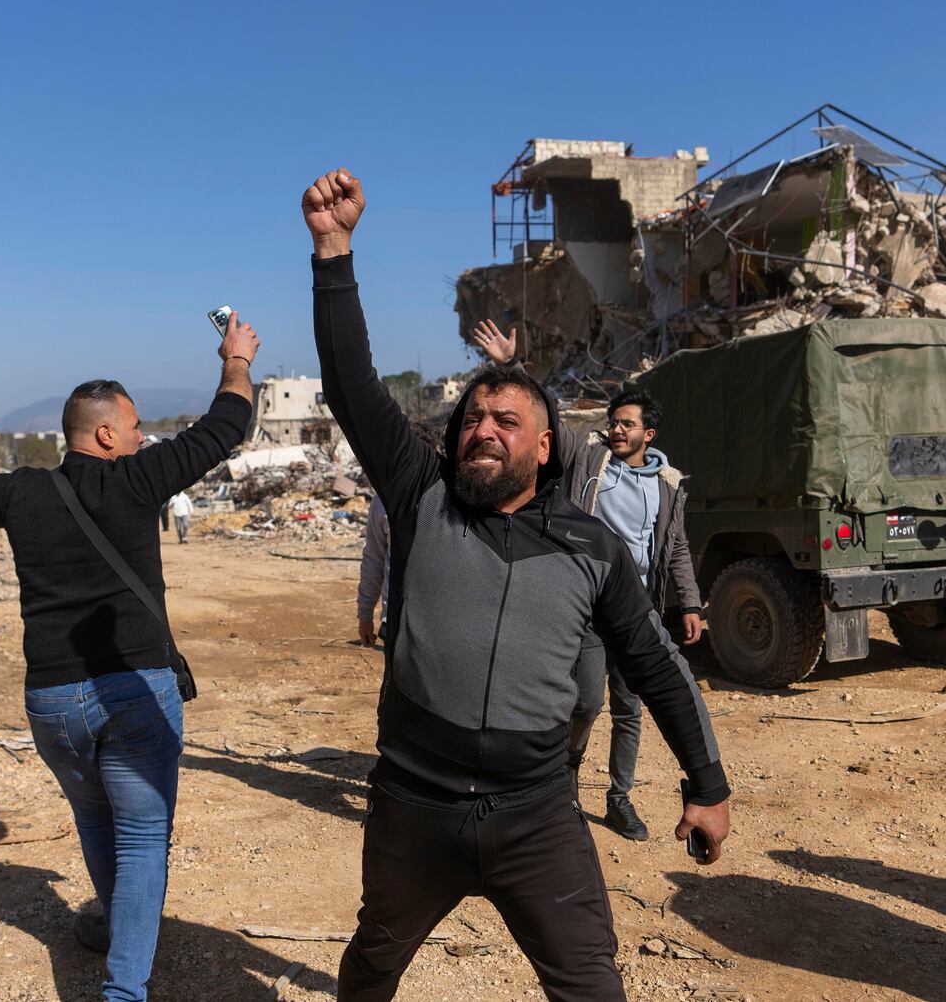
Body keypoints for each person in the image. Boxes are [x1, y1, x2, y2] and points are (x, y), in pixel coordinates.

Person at [303, 167, 731, 1002]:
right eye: (473, 419)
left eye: (507, 421)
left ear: (543, 447)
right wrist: (333, 252)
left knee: (591, 987)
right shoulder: (422, 496)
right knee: (372, 965)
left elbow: (652, 663)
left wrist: (706, 784)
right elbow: (353, 385)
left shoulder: (591, 544)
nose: (483, 431)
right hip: (412, 810)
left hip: (537, 817)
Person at [0, 314, 259, 1002]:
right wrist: (235, 359)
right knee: (140, 835)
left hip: (53, 702)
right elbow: (227, 426)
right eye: (134, 427)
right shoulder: (138, 478)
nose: (143, 436)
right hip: (136, 691)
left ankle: (110, 927)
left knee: (96, 817)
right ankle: (124, 990)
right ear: (106, 433)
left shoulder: (17, 491)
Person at [472, 324, 702, 842]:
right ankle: (566, 776)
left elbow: (677, 548)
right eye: (614, 422)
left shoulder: (669, 486)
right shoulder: (589, 458)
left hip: (638, 610)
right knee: (584, 702)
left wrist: (690, 603)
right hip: (589, 606)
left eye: (628, 424)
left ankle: (620, 799)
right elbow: (546, 414)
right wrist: (514, 367)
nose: (617, 430)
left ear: (651, 435)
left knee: (630, 708)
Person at [356, 492, 388, 646]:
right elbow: (374, 561)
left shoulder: (455, 494)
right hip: (397, 621)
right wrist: (365, 615)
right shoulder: (384, 499)